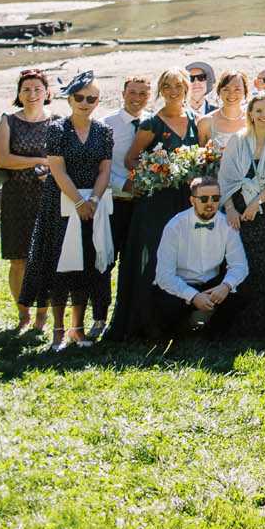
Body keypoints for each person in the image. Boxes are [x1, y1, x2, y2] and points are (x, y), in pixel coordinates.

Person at [20, 75, 115, 350]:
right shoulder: (58, 129)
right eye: (80, 98)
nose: (86, 103)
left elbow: (105, 169)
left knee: (85, 266)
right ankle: (58, 331)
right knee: (60, 266)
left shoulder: (103, 131)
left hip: (92, 204)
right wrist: (78, 201)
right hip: (61, 203)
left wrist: (94, 200)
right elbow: (57, 169)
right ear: (69, 99)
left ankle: (78, 329)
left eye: (92, 98)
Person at [108, 69, 203, 342]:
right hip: (157, 201)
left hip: (186, 201)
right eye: (167, 86)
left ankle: (180, 322)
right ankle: (145, 323)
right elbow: (130, 159)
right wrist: (158, 170)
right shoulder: (151, 123)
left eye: (178, 85)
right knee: (153, 260)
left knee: (183, 259)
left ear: (186, 88)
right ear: (161, 90)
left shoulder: (196, 121)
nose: (173, 91)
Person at [217, 91, 265, 336]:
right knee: (235, 264)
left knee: (264, 266)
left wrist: (255, 204)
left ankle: (263, 324)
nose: (263, 115)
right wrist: (230, 209)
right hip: (235, 209)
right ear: (250, 113)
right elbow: (225, 177)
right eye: (258, 110)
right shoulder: (238, 140)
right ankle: (234, 324)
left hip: (263, 208)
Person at [0, 69, 58, 334]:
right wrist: (38, 161)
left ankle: (42, 314)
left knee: (44, 259)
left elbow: (63, 161)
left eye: (37, 89)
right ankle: (23, 313)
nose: (32, 94)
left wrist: (50, 170)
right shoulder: (8, 121)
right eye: (26, 90)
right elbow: (3, 160)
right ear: (19, 94)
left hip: (48, 198)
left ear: (47, 93)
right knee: (18, 260)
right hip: (16, 198)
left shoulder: (57, 123)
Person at [152, 176, 248, 340]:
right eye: (204, 199)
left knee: (240, 292)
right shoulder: (175, 226)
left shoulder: (227, 224)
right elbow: (163, 276)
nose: (210, 203)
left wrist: (225, 286)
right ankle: (180, 332)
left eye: (215, 198)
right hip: (181, 285)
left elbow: (240, 266)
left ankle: (213, 336)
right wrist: (193, 296)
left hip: (212, 285)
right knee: (165, 310)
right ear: (192, 200)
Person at [95, 74, 153, 333]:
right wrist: (126, 184)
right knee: (106, 261)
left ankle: (129, 316)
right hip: (115, 201)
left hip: (143, 206)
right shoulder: (107, 124)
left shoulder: (153, 122)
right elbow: (99, 165)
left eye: (143, 93)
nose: (137, 98)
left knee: (136, 263)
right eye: (133, 92)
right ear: (123, 93)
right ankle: (99, 317)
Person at [200, 71, 249, 153]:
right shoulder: (205, 122)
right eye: (226, 89)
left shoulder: (252, 121)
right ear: (219, 91)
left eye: (237, 89)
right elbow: (198, 159)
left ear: (245, 91)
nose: (231, 94)